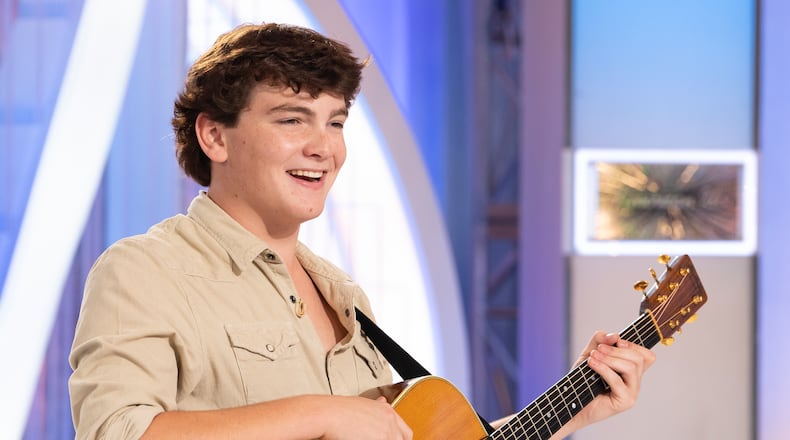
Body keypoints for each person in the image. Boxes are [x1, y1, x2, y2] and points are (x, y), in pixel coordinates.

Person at [68, 22, 654, 439]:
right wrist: (322, 414)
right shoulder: (143, 270)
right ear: (214, 137)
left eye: (336, 122)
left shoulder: (343, 296)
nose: (323, 147)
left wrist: (575, 410)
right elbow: (118, 432)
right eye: (292, 119)